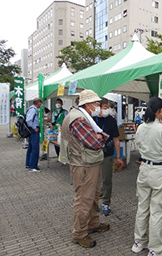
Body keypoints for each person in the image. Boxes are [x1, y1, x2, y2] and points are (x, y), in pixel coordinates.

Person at [60, 90, 110, 248]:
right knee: (84, 199)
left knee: (94, 195)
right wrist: (100, 137)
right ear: (88, 105)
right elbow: (95, 142)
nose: (98, 107)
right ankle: (79, 233)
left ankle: (93, 224)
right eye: (96, 104)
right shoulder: (79, 119)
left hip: (89, 162)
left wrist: (99, 137)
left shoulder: (82, 116)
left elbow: (97, 138)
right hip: (83, 164)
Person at [131, 97, 162, 256]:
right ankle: (155, 248)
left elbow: (138, 144)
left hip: (144, 169)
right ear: (160, 111)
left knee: (142, 207)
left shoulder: (140, 128)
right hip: (160, 171)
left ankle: (139, 242)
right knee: (158, 211)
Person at [94, 98, 124, 216]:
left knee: (107, 179)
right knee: (94, 180)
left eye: (108, 107)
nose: (107, 110)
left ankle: (106, 202)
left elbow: (116, 140)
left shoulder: (111, 120)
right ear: (99, 107)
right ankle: (94, 202)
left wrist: (118, 156)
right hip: (94, 153)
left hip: (108, 153)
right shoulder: (92, 119)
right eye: (104, 107)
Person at [25, 97, 43, 172]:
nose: (41, 105)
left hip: (32, 130)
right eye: (41, 103)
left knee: (31, 147)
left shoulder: (31, 109)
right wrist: (34, 127)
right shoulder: (33, 110)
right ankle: (33, 166)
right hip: (33, 130)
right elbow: (28, 120)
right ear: (38, 103)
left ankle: (29, 164)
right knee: (35, 148)